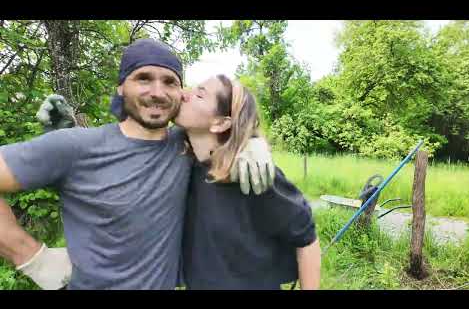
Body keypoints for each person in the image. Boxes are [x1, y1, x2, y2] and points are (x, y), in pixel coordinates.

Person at [0, 38, 274, 290]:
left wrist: (250, 141)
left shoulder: (186, 144)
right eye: (143, 78)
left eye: (170, 82)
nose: (157, 92)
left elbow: (224, 119)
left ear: (181, 92)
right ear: (121, 86)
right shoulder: (73, 146)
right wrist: (32, 257)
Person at [175, 75, 321, 290]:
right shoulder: (183, 164)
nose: (184, 94)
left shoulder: (254, 174)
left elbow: (307, 239)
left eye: (199, 94)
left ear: (221, 122)